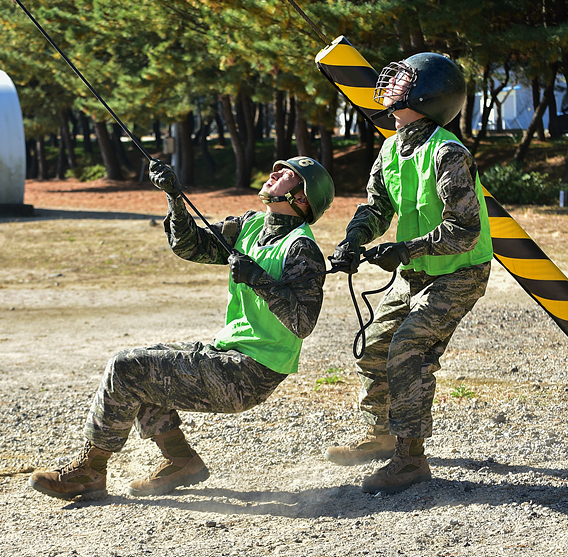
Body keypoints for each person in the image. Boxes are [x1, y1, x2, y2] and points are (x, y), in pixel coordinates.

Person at [28, 156, 335, 500]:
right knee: (146, 366)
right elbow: (189, 245)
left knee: (128, 367)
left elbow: (302, 322)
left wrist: (257, 278)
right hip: (229, 354)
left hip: (253, 371)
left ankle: (89, 472)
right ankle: (181, 460)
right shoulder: (250, 227)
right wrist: (174, 197)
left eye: (287, 174)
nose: (274, 173)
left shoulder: (301, 249)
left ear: (302, 198)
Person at [326, 52, 493, 495]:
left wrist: (403, 250)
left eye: (402, 78)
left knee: (408, 349)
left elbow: (463, 231)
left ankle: (410, 459)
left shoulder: (448, 152)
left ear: (428, 94)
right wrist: (353, 240)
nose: (391, 82)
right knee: (373, 348)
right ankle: (382, 434)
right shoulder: (392, 144)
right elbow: (377, 205)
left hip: (459, 272)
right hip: (417, 270)